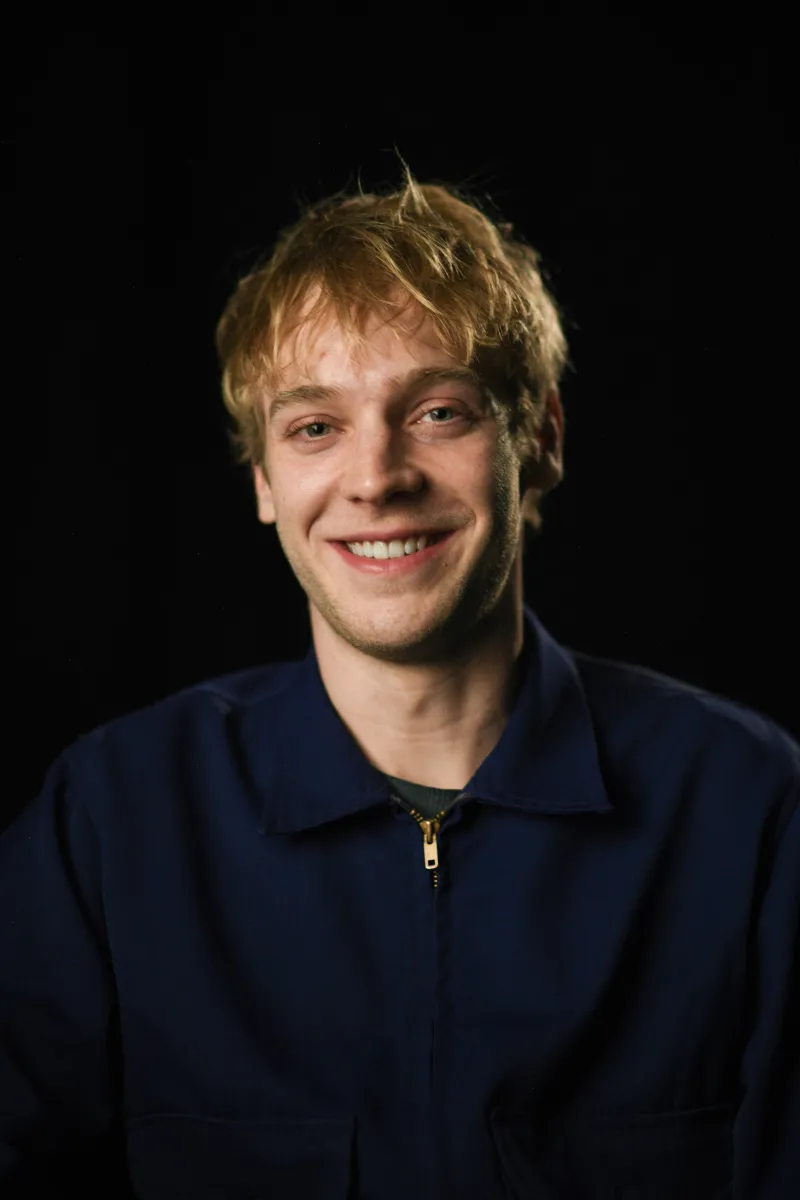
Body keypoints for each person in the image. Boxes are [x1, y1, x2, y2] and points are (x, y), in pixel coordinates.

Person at [1, 166, 797, 1200]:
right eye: (314, 427)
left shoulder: (747, 810)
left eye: (435, 412)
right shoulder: (111, 822)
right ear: (262, 480)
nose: (375, 477)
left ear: (539, 438)